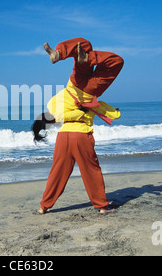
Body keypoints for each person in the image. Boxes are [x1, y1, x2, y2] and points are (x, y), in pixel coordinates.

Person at [34, 37, 124, 215]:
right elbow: (100, 108)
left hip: (65, 136)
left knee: (57, 173)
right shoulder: (54, 102)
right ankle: (62, 54)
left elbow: (91, 109)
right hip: (76, 97)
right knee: (92, 48)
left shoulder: (59, 114)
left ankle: (43, 206)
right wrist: (111, 111)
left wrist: (88, 109)